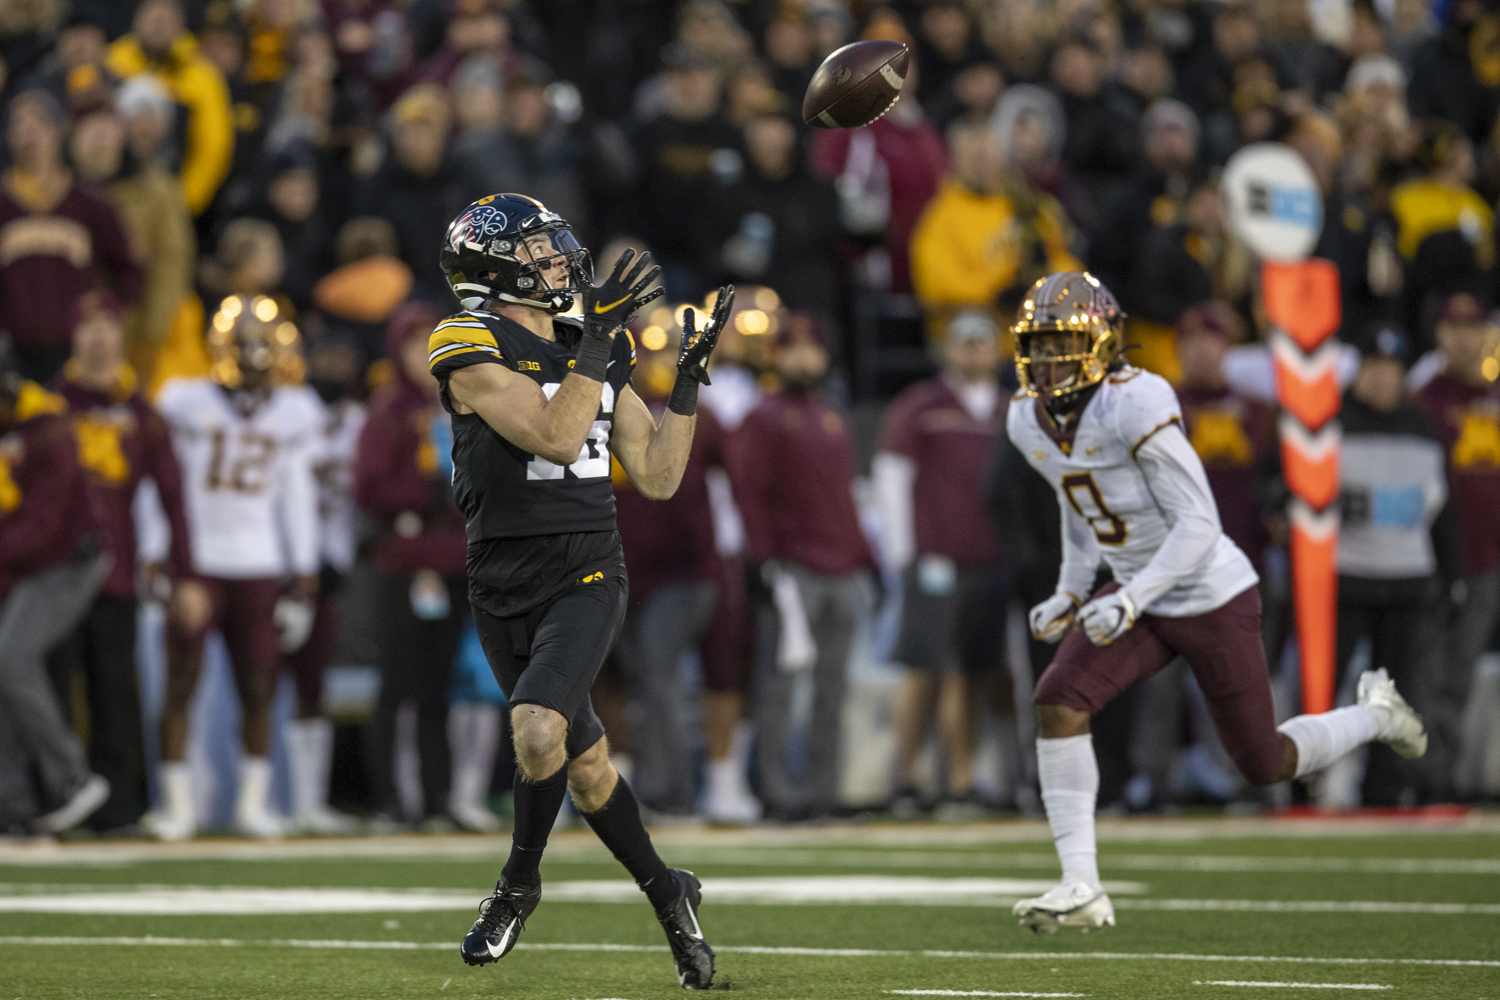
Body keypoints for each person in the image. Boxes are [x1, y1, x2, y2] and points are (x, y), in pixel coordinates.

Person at [1005, 272, 1427, 933]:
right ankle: (1081, 884)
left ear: (1104, 344)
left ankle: (1375, 715)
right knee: (1058, 702)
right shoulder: (1025, 418)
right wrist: (1071, 586)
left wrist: (1133, 596)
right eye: (1038, 345)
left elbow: (1200, 527)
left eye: (1063, 344)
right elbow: (1077, 500)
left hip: (1208, 592)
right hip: (1137, 592)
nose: (1047, 360)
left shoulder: (1135, 401)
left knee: (1265, 763)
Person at [430, 193, 727, 986]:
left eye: (555, 245)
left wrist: (689, 387)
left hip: (588, 568)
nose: (559, 260)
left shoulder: (595, 343)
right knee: (585, 768)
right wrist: (596, 341)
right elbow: (558, 435)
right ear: (492, 269)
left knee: (535, 730)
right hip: (499, 575)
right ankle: (672, 894)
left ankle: (517, 885)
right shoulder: (466, 339)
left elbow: (659, 476)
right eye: (537, 250)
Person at [150, 295, 321, 840]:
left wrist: (305, 570)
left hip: (259, 560)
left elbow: (295, 496)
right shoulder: (185, 400)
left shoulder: (295, 411)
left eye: (263, 344)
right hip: (198, 560)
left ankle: (252, 804)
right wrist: (157, 556)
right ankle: (177, 806)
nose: (254, 355)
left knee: (260, 685)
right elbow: (166, 486)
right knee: (182, 681)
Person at [48, 291, 202, 833]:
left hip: (114, 573)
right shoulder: (48, 404)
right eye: (86, 325)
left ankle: (116, 811)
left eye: (106, 325)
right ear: (72, 335)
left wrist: (186, 574)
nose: (97, 336)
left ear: (121, 334)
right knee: (49, 691)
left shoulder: (143, 414)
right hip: (50, 573)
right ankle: (55, 802)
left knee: (115, 691)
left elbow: (174, 495)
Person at [730, 313, 876, 821]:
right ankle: (775, 790)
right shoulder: (763, 416)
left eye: (812, 350)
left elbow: (846, 497)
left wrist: (866, 557)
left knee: (833, 689)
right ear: (776, 356)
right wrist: (763, 559)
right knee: (782, 686)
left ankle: (823, 792)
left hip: (842, 568)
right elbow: (748, 493)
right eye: (793, 350)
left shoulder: (832, 414)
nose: (804, 359)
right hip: (793, 569)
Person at [875, 309, 1009, 815]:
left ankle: (962, 778)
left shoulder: (1007, 408)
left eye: (982, 342)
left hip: (987, 558)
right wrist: (903, 554)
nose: (973, 351)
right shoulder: (922, 405)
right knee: (925, 669)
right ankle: (906, 776)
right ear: (948, 349)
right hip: (934, 559)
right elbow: (891, 476)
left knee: (974, 672)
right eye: (964, 342)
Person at [355, 303, 469, 828]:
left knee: (438, 688)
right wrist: (427, 493)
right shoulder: (388, 410)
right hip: (403, 564)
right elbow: (369, 486)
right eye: (414, 346)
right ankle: (390, 799)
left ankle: (436, 799)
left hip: (451, 560)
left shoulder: (463, 404)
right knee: (398, 685)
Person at [1336, 325, 1459, 806]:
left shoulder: (1423, 425)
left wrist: (1453, 575)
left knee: (1398, 693)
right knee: (1326, 683)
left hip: (1408, 578)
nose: (1383, 378)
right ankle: (1312, 778)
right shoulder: (1329, 421)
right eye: (1374, 368)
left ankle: (1384, 788)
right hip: (1344, 574)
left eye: (1392, 370)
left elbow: (1442, 510)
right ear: (1359, 371)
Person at [0, 337, 112, 835]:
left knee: (11, 659)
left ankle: (71, 779)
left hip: (69, 562)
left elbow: (44, 525)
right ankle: (13, 804)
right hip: (27, 567)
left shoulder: (48, 428)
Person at [1415, 294, 1500, 800]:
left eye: (1475, 327)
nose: (1464, 338)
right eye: (1454, 327)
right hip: (1446, 561)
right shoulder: (1424, 399)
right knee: (1438, 674)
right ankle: (1433, 779)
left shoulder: (1494, 396)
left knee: (1464, 675)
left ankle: (1456, 771)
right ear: (1440, 335)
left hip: (1491, 557)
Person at [282, 330, 366, 835]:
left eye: (342, 356)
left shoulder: (359, 421)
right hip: (280, 562)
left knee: (315, 682)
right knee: (266, 680)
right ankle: (267, 795)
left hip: (333, 565)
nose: (333, 366)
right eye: (326, 355)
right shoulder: (288, 411)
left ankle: (307, 800)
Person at [0, 89, 143, 382]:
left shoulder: (91, 203)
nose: (28, 135)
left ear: (59, 132)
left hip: (75, 355)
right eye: (18, 126)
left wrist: (105, 308)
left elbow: (131, 269)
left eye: (37, 124)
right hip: (10, 353)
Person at [105, 0, 234, 216]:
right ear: (137, 20)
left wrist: (184, 203)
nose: (159, 26)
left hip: (173, 195)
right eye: (153, 18)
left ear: (180, 26)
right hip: (114, 194)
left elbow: (213, 149)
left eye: (166, 19)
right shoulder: (112, 63)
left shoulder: (203, 77)